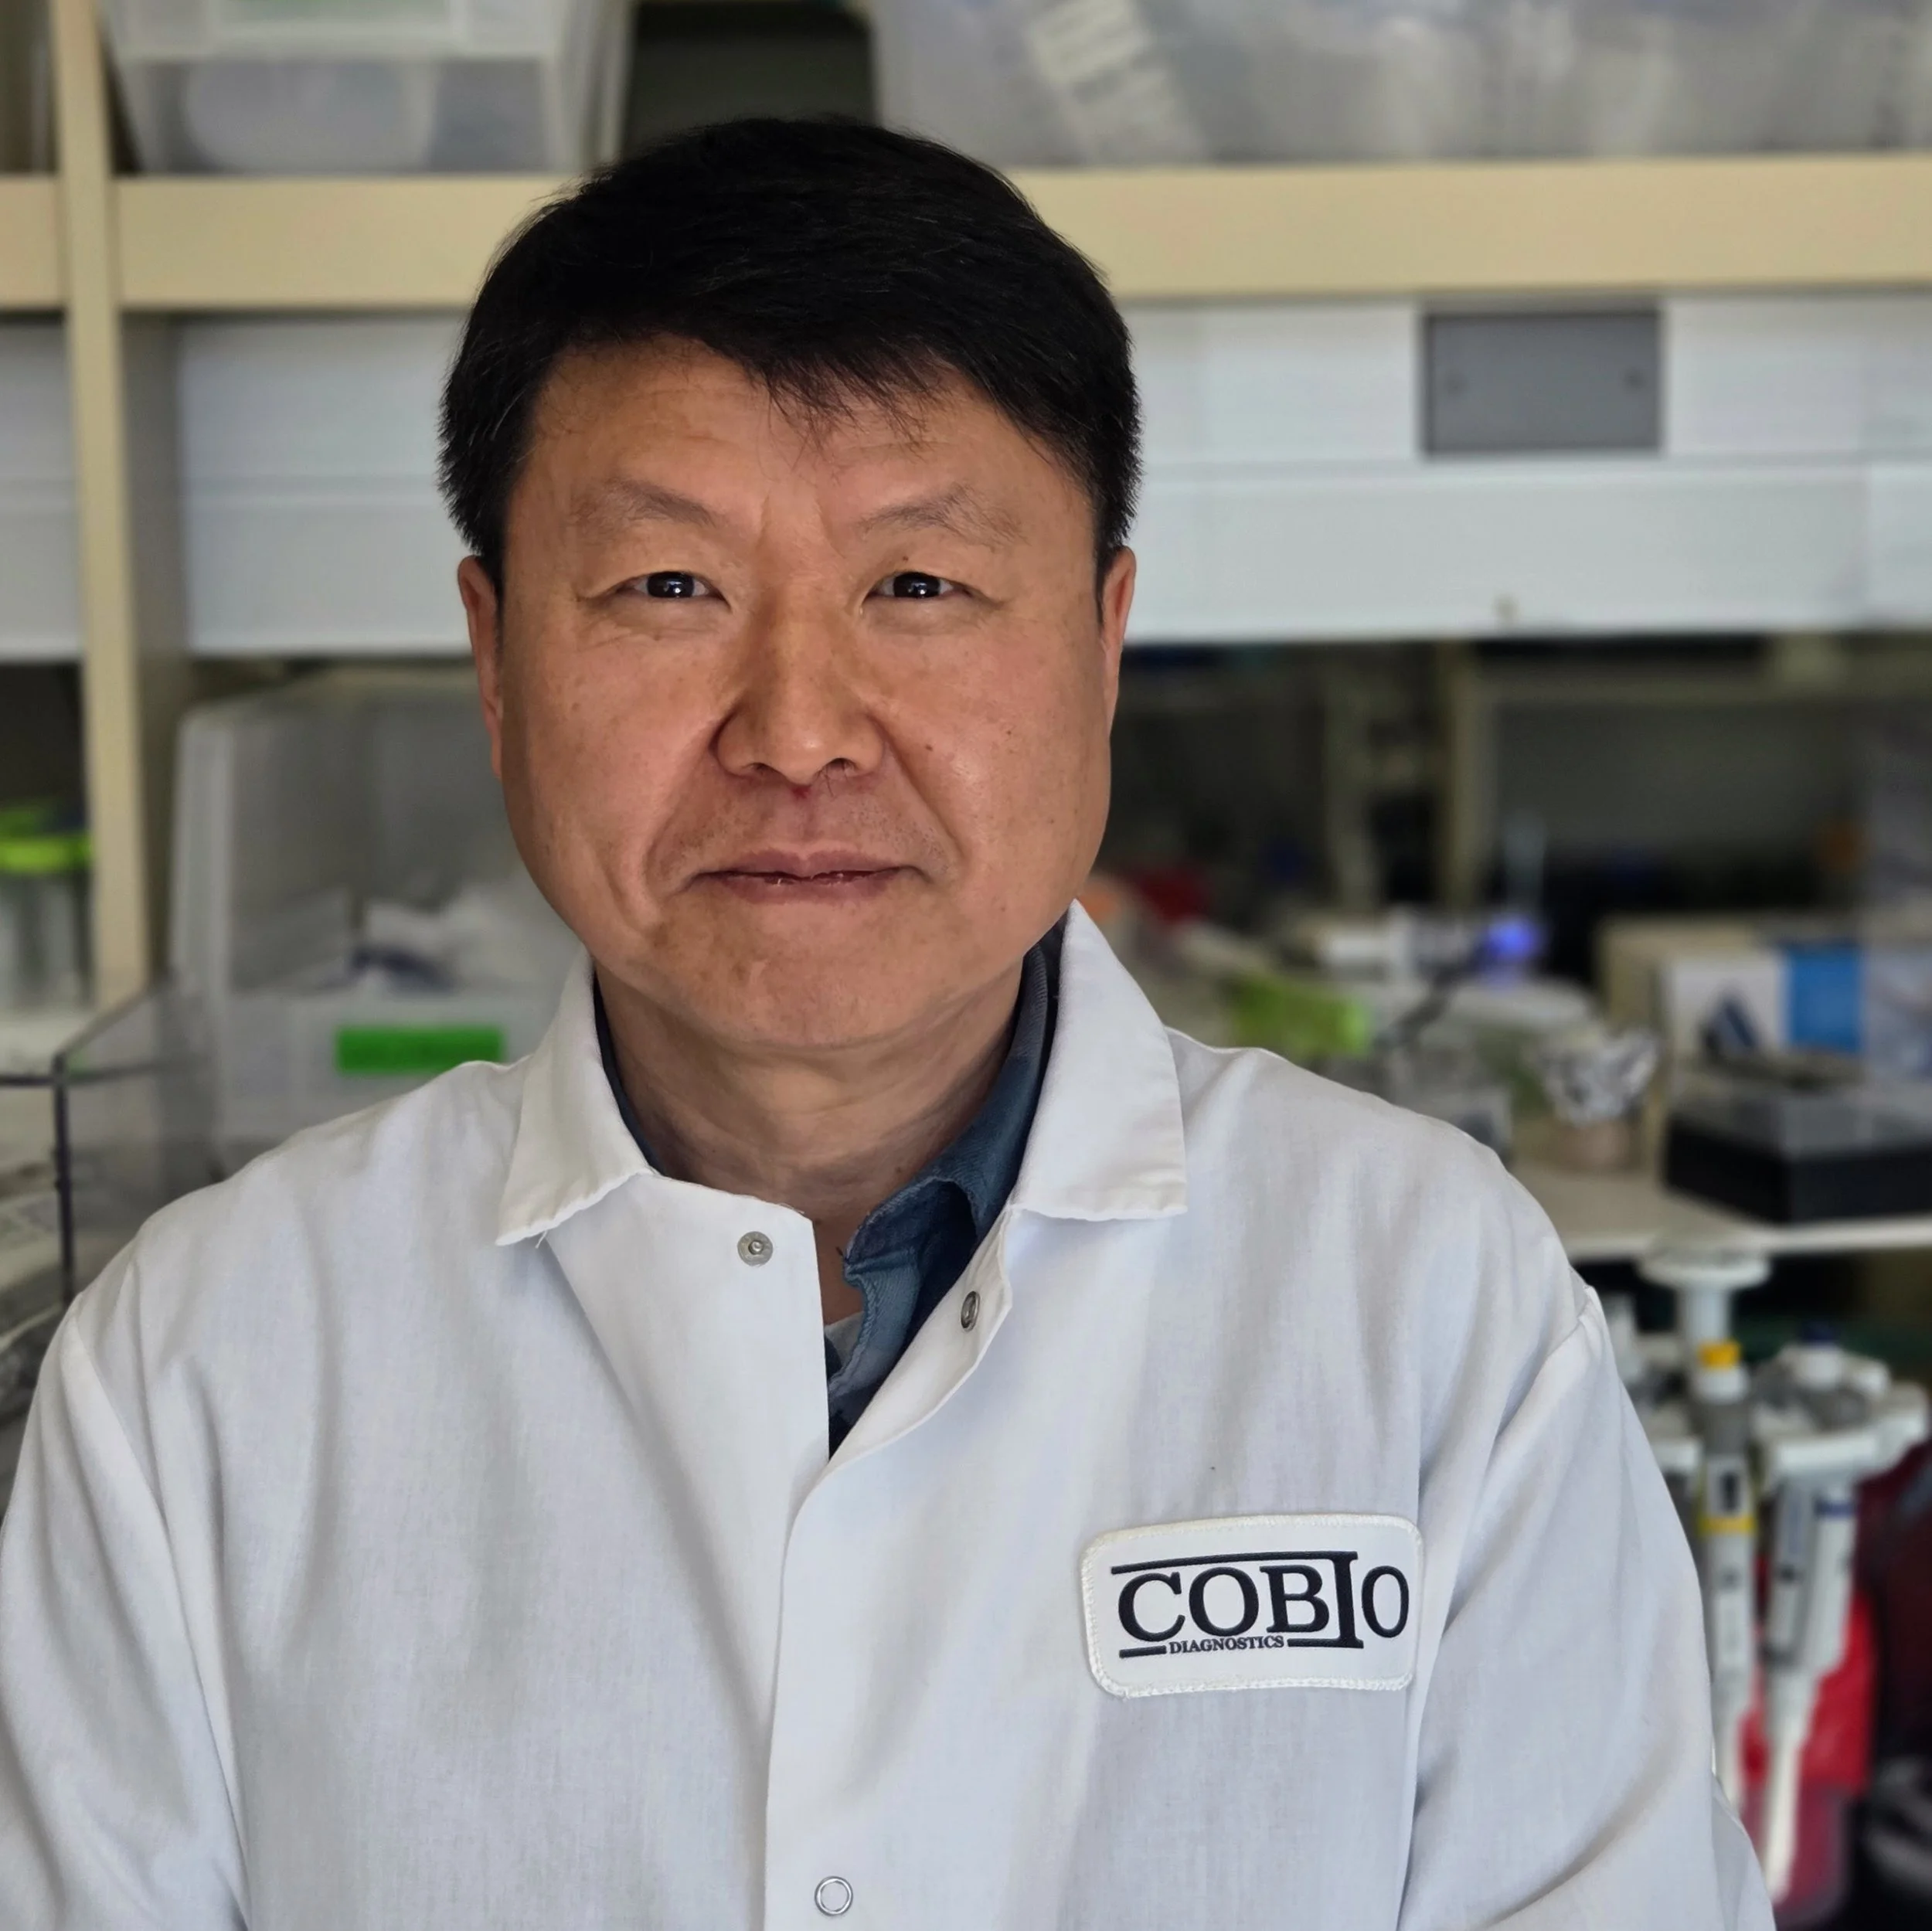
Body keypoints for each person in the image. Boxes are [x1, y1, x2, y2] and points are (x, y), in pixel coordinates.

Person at [0, 119, 1770, 1929]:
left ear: (1102, 641)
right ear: (497, 658)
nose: (796, 731)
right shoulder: (203, 1369)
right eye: (668, 587)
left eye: (917, 587)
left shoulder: (1432, 1303)